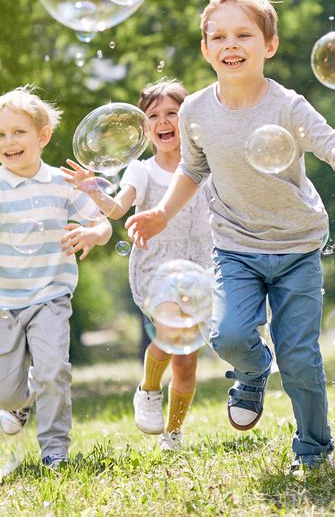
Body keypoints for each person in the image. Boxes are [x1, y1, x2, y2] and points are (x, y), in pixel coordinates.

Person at [125, 0, 335, 474]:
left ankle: (313, 450)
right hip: (234, 247)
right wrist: (162, 212)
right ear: (206, 48)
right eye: (219, 36)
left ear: (268, 44)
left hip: (296, 247)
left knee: (300, 359)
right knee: (227, 335)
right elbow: (192, 168)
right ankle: (251, 372)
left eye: (244, 35)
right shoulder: (195, 111)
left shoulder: (287, 106)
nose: (232, 44)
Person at [0, 86, 112, 470]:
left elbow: (102, 222)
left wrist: (93, 233)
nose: (9, 142)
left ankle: (55, 450)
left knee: (53, 370)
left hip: (50, 296)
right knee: (7, 393)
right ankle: (16, 405)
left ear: (42, 136)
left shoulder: (62, 183)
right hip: (0, 304)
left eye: (19, 132)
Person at [61, 79, 213, 452]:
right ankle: (148, 389)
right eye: (154, 116)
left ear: (188, 119)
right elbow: (116, 209)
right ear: (145, 127)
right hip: (157, 267)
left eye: (172, 114)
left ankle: (173, 432)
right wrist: (94, 190)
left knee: (187, 363)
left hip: (203, 268)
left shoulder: (208, 164)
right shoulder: (141, 172)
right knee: (170, 333)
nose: (163, 122)